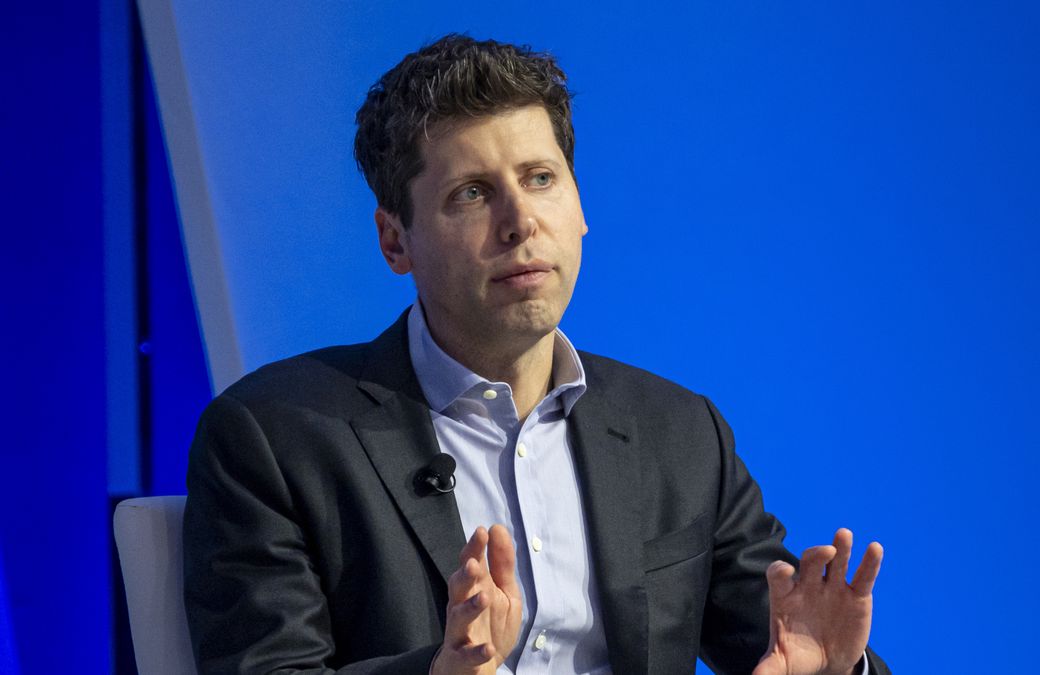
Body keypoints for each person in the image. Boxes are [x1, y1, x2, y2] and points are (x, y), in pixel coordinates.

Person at [183, 34, 888, 675]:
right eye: (472, 193)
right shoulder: (275, 435)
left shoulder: (679, 432)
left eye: (541, 178)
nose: (521, 222)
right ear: (395, 240)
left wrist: (832, 669)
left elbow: (786, 644)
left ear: (579, 206)